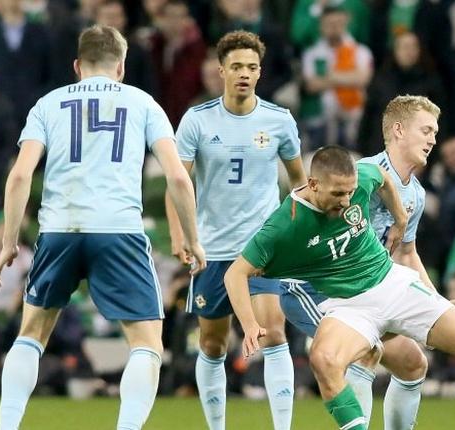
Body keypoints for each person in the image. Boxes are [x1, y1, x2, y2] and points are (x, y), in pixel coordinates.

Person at [226, 146, 455, 430]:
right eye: (337, 194)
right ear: (312, 185)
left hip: (392, 284)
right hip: (346, 305)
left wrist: (400, 217)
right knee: (324, 359)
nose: (347, 201)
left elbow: (379, 175)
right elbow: (236, 274)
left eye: (349, 192)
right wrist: (249, 324)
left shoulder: (358, 179)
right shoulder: (283, 227)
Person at [0, 25, 205, 430]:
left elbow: (19, 176)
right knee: (146, 344)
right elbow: (178, 177)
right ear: (122, 66)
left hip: (59, 229)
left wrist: (8, 243)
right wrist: (192, 239)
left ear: (77, 65)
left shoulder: (48, 104)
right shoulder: (143, 102)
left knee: (31, 333)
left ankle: (6, 426)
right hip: (119, 229)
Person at [165, 30, 307, 430]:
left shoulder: (279, 121)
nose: (244, 73)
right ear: (221, 70)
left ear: (259, 72)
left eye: (252, 67)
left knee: (274, 333)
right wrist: (179, 236)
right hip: (211, 248)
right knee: (212, 344)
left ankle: (282, 426)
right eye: (237, 66)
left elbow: (299, 184)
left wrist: (294, 230)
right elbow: (179, 184)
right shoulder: (197, 119)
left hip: (262, 247)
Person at [280, 95, 441, 429]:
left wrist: (437, 304)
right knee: (367, 351)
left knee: (413, 363)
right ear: (399, 130)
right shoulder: (360, 178)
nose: (433, 140)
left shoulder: (416, 194)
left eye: (435, 132)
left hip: (362, 291)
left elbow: (406, 253)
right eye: (426, 130)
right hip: (316, 287)